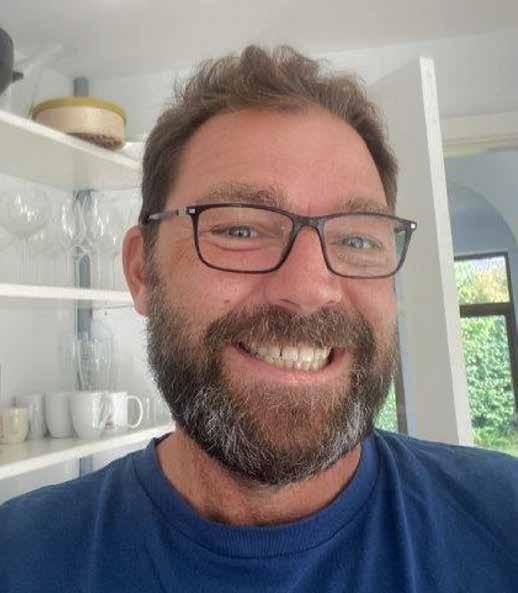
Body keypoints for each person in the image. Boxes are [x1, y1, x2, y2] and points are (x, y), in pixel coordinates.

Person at [1, 45, 517, 593]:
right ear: (141, 271)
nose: (309, 290)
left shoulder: (503, 520)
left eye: (358, 239)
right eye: (240, 230)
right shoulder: (20, 557)